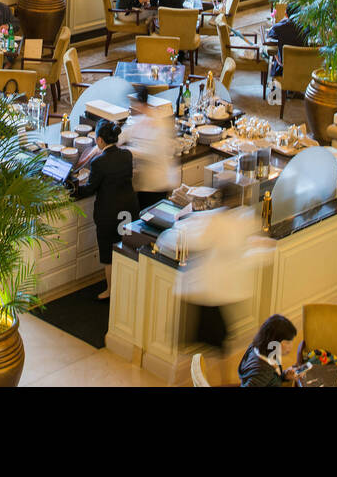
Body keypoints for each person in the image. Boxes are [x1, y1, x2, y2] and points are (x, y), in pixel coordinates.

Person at [176, 182, 269, 354]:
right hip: (222, 290)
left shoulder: (216, 220)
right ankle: (216, 377)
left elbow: (197, 240)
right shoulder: (244, 219)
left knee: (211, 344)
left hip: (211, 291)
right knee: (218, 344)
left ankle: (208, 376)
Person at [70, 119, 136, 300]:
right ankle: (127, 285)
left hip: (109, 213)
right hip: (129, 208)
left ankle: (111, 290)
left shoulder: (98, 162)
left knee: (108, 252)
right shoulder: (127, 155)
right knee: (126, 248)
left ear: (99, 140)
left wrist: (73, 187)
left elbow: (90, 188)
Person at [121, 92, 180, 213]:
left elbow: (151, 153)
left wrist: (126, 150)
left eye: (135, 105)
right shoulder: (139, 120)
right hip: (143, 183)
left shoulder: (159, 125)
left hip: (157, 185)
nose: (132, 109)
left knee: (151, 219)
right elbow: (125, 132)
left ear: (143, 105)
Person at [238, 314, 299, 387]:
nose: (291, 346)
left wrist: (284, 376)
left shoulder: (258, 348)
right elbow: (263, 376)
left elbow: (269, 379)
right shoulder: (263, 372)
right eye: (287, 342)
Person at [265, 3, 307, 79]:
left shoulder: (278, 28)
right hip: (304, 68)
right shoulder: (306, 28)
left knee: (276, 53)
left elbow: (269, 36)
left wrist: (282, 21)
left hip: (283, 69)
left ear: (286, 14)